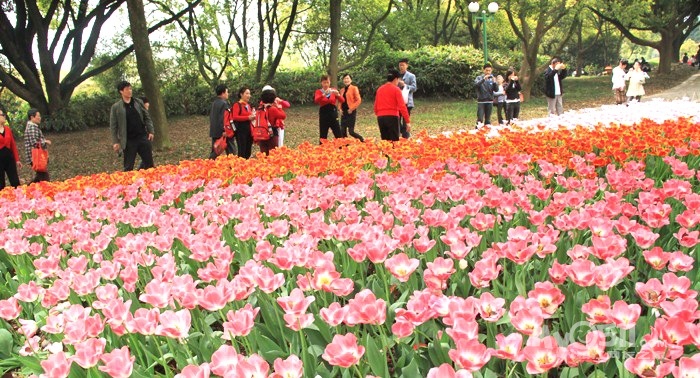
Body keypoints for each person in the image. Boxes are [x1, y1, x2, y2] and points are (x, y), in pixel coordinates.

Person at [110, 81, 155, 171]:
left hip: (142, 136)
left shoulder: (138, 102)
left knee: (149, 164)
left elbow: (147, 117)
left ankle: (149, 182)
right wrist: (115, 141)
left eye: (130, 89)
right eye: (127, 89)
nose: (130, 91)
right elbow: (113, 126)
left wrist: (151, 131)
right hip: (129, 140)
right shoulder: (116, 107)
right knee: (128, 166)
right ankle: (128, 183)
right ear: (121, 91)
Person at [374, 70, 411, 141]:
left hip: (381, 118)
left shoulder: (380, 89)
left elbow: (376, 105)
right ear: (396, 79)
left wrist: (379, 114)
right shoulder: (396, 89)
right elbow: (402, 106)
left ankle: (385, 152)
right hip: (392, 117)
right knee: (394, 141)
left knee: (385, 141)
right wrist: (407, 121)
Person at [257, 86, 287, 155]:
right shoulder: (272, 109)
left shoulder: (260, 108)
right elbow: (283, 116)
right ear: (273, 99)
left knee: (263, 154)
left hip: (261, 133)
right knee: (272, 154)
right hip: (272, 134)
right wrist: (279, 108)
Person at [23, 108, 51, 183]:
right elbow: (34, 143)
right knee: (45, 178)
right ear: (32, 117)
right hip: (35, 157)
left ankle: (29, 189)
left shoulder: (32, 127)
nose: (40, 118)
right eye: (38, 116)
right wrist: (45, 141)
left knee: (39, 177)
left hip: (35, 156)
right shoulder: (32, 128)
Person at [208, 84, 236, 159]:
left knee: (215, 150)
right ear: (223, 93)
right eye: (227, 92)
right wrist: (225, 130)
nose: (228, 94)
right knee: (231, 151)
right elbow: (224, 118)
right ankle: (234, 167)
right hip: (224, 132)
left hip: (215, 131)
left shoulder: (214, 103)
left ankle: (208, 165)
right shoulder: (224, 104)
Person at [314, 75, 343, 144]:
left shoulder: (333, 90)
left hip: (333, 112)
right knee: (323, 134)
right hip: (324, 113)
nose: (326, 84)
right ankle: (322, 150)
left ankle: (342, 148)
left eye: (327, 82)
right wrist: (324, 94)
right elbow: (316, 100)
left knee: (337, 132)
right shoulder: (319, 91)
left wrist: (338, 95)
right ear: (321, 83)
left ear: (330, 82)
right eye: (324, 82)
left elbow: (342, 100)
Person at [338, 73, 364, 142]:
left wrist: (351, 108)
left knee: (351, 131)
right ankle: (345, 144)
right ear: (343, 80)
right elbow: (340, 101)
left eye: (347, 78)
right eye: (345, 78)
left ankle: (361, 139)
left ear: (351, 80)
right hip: (344, 112)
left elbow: (358, 100)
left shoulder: (354, 88)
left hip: (351, 112)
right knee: (342, 130)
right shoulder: (342, 90)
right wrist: (339, 109)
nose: (346, 80)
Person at [0, 108, 22, 190]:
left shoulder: (8, 129)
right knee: (1, 183)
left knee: (15, 181)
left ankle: (19, 199)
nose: (4, 116)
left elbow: (13, 145)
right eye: (2, 115)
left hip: (9, 158)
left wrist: (17, 160)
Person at [231, 86, 255, 159]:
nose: (249, 95)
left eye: (249, 94)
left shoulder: (248, 105)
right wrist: (247, 118)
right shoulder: (237, 105)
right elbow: (235, 117)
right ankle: (240, 166)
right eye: (247, 93)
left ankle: (246, 166)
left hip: (249, 130)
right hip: (241, 131)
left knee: (248, 151)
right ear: (241, 94)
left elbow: (250, 116)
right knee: (242, 150)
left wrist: (253, 116)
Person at [397, 58, 417, 139]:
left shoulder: (411, 76)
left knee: (406, 121)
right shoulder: (396, 76)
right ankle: (404, 133)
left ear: (407, 66)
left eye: (403, 65)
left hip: (407, 102)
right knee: (397, 120)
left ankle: (406, 138)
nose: (401, 67)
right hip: (397, 102)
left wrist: (405, 85)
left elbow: (414, 88)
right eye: (400, 65)